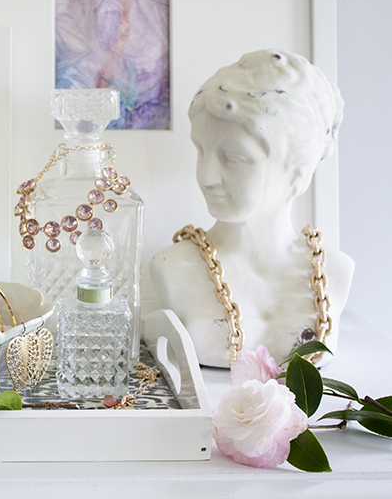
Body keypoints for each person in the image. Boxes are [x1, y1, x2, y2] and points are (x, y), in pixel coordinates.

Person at [150, 50, 354, 368]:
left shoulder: (335, 272)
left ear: (297, 171)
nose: (206, 176)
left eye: (234, 157)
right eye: (200, 150)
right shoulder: (173, 268)